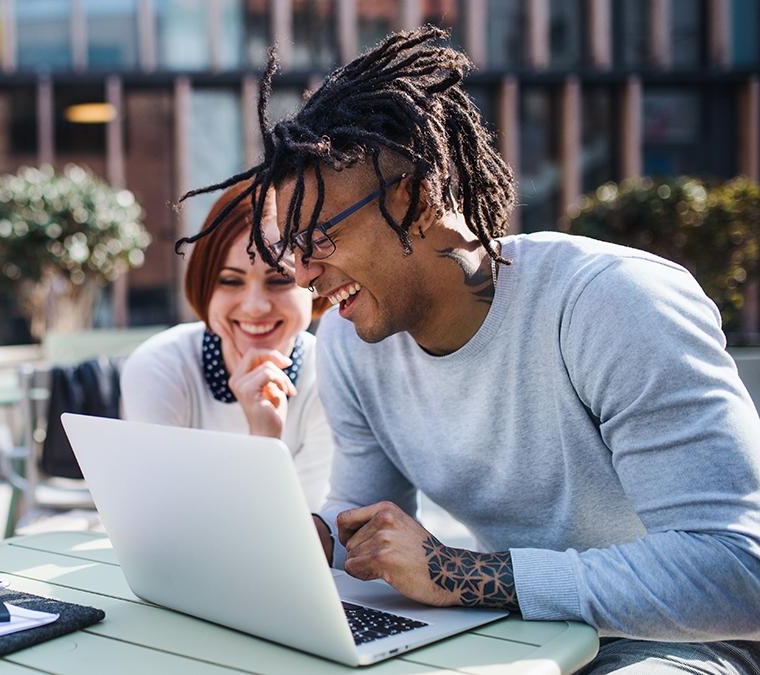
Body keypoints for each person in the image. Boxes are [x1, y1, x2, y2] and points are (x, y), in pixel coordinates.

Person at [180, 27, 760, 674]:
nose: (304, 275)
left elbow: (738, 570)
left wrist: (462, 575)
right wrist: (311, 537)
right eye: (292, 249)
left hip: (673, 645)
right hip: (508, 636)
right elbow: (364, 511)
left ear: (419, 198)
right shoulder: (349, 339)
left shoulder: (612, 303)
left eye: (317, 237)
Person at [121, 183, 334, 509]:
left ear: (314, 284)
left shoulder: (332, 375)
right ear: (205, 285)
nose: (255, 307)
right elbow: (160, 517)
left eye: (278, 280)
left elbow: (303, 533)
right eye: (230, 281)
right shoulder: (160, 367)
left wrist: (265, 440)